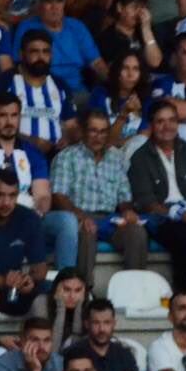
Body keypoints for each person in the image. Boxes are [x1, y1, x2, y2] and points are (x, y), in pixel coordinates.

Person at [46, 108, 146, 282]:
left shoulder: (115, 158)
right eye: (93, 131)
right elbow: (59, 197)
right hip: (79, 217)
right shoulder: (66, 157)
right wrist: (82, 217)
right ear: (83, 131)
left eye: (103, 132)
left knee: (136, 232)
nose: (98, 137)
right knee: (87, 231)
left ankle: (134, 288)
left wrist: (127, 211)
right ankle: (84, 289)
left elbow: (124, 196)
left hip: (110, 220)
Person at [127, 100, 186, 292]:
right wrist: (181, 215)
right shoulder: (140, 157)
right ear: (151, 125)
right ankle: (182, 293)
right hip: (160, 216)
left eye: (172, 120)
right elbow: (147, 202)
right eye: (160, 121)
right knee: (182, 234)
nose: (167, 126)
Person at [0, 29, 78, 156]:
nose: (41, 57)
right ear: (21, 54)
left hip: (56, 155)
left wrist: (68, 137)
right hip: (15, 153)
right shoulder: (5, 82)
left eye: (46, 52)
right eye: (34, 51)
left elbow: (72, 125)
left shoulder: (60, 85)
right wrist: (30, 141)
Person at [16, 0, 103, 95]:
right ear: (39, 6)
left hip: (76, 90)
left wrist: (114, 83)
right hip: (42, 90)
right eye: (48, 2)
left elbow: (96, 63)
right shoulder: (27, 27)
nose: (55, 7)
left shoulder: (77, 26)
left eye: (59, 1)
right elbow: (18, 64)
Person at [0, 169, 47, 317]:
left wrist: (27, 280)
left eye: (12, 195)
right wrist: (1, 280)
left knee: (46, 291)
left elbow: (40, 268)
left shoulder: (29, 219)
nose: (6, 202)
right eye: (0, 195)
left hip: (13, 288)